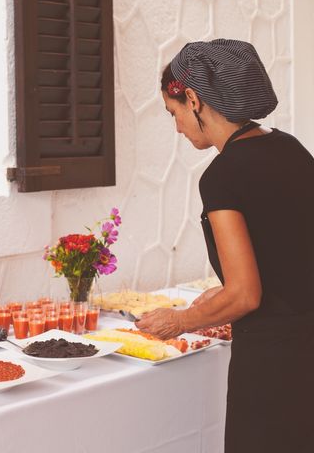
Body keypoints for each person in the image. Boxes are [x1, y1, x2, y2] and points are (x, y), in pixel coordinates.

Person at [136, 39, 314, 452]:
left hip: (276, 365)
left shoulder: (222, 176)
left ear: (193, 99)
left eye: (174, 112)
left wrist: (181, 320)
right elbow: (291, 248)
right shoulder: (291, 147)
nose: (177, 127)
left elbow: (246, 294)